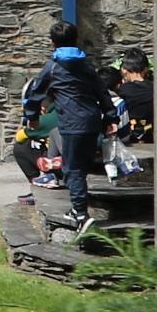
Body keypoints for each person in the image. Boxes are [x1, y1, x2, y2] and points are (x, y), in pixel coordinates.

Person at [38, 20, 121, 224]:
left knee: (73, 169)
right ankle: (80, 205)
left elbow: (34, 93)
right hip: (92, 122)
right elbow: (102, 92)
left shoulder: (52, 67)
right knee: (81, 167)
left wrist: (31, 116)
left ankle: (80, 213)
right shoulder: (87, 66)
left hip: (71, 124)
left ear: (52, 43)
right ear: (76, 40)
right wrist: (111, 117)